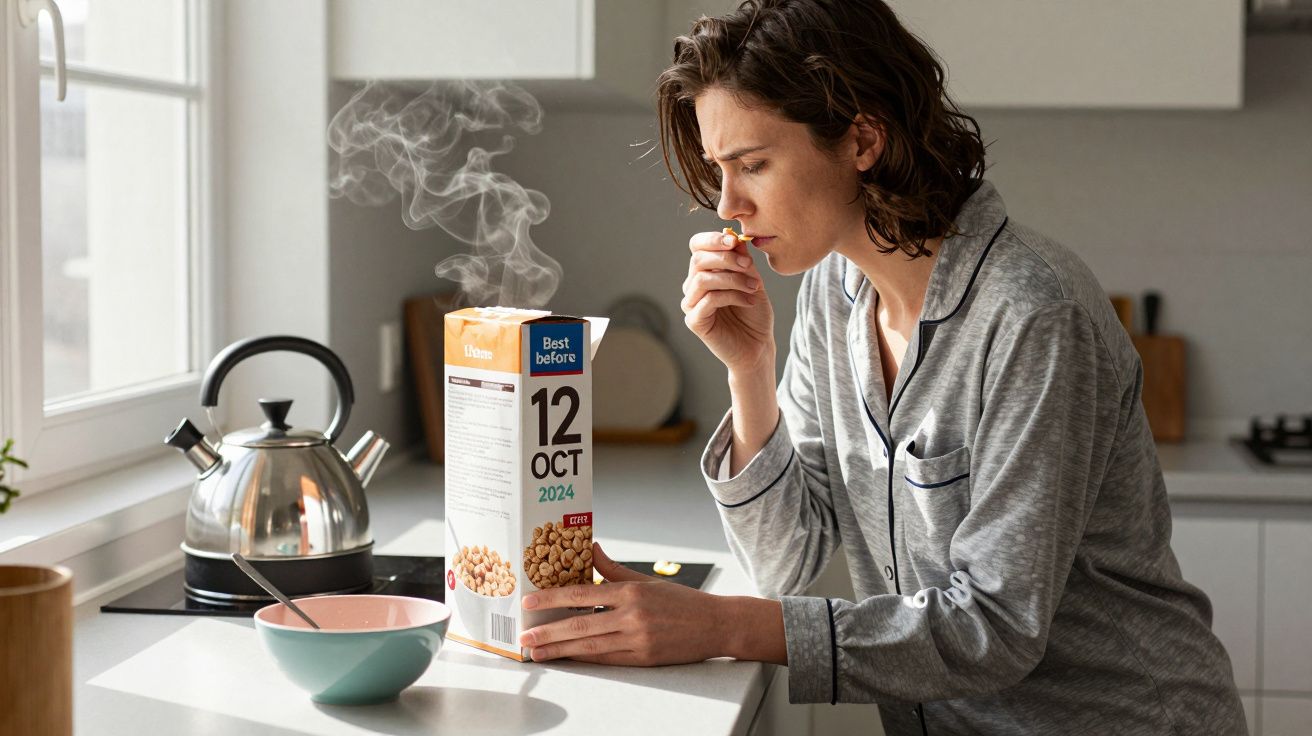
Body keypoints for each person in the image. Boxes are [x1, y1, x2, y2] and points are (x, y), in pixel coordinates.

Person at [518, 1, 1247, 733]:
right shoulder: (833, 296)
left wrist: (721, 626)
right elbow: (786, 558)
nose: (729, 206)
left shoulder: (1032, 315)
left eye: (754, 165)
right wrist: (750, 369)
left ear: (862, 139)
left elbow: (993, 628)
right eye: (719, 171)